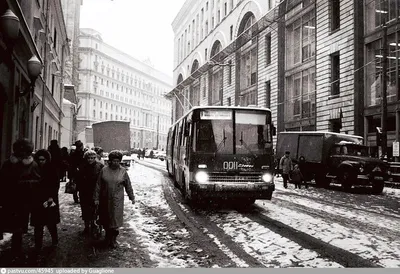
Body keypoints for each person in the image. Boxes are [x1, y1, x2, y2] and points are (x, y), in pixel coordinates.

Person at [0, 139, 41, 262]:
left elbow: (38, 181)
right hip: (10, 200)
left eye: (25, 151)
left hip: (24, 201)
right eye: (20, 150)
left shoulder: (33, 165)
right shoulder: (8, 164)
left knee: (19, 227)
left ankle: (16, 251)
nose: (22, 153)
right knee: (9, 224)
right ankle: (14, 251)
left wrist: (24, 184)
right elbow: (1, 181)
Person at [94, 150, 135, 248]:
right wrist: (96, 198)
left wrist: (131, 196)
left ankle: (113, 239)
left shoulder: (123, 171)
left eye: (117, 161)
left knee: (115, 220)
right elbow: (98, 185)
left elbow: (128, 185)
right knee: (106, 219)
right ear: (110, 161)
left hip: (117, 200)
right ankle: (107, 238)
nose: (115, 163)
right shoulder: (104, 170)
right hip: (105, 198)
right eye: (114, 161)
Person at [31, 149, 60, 256]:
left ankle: (55, 240)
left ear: (47, 159)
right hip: (37, 200)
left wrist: (51, 197)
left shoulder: (52, 169)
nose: (41, 162)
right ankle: (38, 245)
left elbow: (55, 184)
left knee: (51, 222)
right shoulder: (34, 169)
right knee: (38, 224)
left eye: (43, 160)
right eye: (39, 160)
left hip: (49, 199)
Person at [76, 150, 104, 236]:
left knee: (95, 210)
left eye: (92, 158)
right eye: (89, 158)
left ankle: (95, 226)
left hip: (95, 191)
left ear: (95, 158)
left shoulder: (100, 166)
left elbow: (102, 180)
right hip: (84, 191)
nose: (90, 160)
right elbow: (78, 178)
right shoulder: (82, 166)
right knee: (85, 210)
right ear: (86, 158)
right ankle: (86, 227)